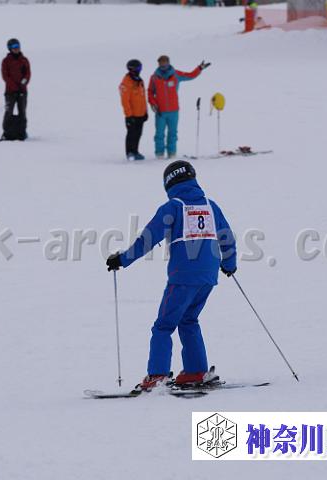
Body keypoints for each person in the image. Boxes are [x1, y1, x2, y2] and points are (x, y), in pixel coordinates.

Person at [105, 161, 237, 390]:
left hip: (183, 276)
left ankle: (157, 375)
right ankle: (196, 371)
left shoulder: (173, 207)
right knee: (189, 320)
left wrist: (122, 259)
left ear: (169, 183)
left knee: (164, 325)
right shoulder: (210, 206)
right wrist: (229, 264)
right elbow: (227, 237)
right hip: (208, 276)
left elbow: (148, 238)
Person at [148, 55, 210, 159]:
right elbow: (150, 92)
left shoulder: (175, 74)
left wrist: (199, 68)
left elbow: (190, 75)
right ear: (158, 64)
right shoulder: (154, 77)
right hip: (160, 112)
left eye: (165, 62)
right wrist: (153, 103)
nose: (163, 65)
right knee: (159, 134)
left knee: (173, 133)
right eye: (161, 63)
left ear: (168, 63)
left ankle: (172, 153)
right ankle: (159, 154)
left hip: (173, 111)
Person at [1, 38, 31, 138]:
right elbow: (5, 76)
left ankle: (22, 132)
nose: (16, 48)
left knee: (22, 112)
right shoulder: (6, 61)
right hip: (10, 92)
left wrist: (23, 84)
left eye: (17, 46)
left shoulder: (24, 60)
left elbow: (27, 74)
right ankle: (6, 132)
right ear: (9, 48)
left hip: (22, 91)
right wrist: (14, 87)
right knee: (8, 111)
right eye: (14, 47)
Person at [119, 59, 148, 161]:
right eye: (138, 68)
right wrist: (129, 115)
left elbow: (142, 97)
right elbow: (125, 101)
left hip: (140, 114)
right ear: (132, 69)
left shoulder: (139, 81)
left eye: (140, 68)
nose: (140, 70)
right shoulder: (126, 82)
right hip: (132, 115)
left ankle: (135, 151)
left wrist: (145, 112)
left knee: (138, 134)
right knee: (131, 134)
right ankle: (130, 152)